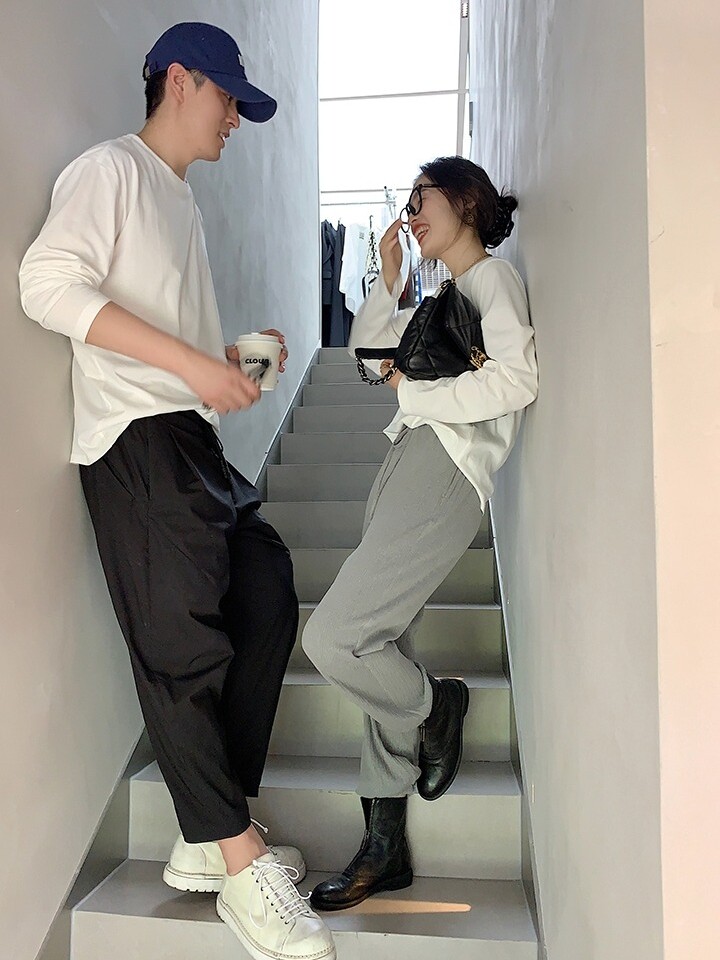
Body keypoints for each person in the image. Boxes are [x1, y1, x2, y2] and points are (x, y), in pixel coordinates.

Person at [19, 22, 335, 960]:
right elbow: (46, 284)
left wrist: (225, 358)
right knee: (181, 650)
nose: (235, 118)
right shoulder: (109, 170)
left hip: (190, 439)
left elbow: (162, 335)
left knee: (266, 590)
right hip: (136, 438)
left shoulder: (179, 202)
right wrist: (193, 366)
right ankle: (239, 865)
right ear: (181, 80)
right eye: (229, 97)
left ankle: (209, 834)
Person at [302, 156, 538, 911]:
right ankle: (385, 847)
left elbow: (517, 379)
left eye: (420, 199)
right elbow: (370, 359)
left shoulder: (491, 280)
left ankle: (438, 707)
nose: (410, 214)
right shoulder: (441, 299)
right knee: (376, 643)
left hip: (447, 465)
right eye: (406, 204)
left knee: (334, 638)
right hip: (409, 457)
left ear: (464, 202)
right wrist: (389, 280)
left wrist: (420, 394)